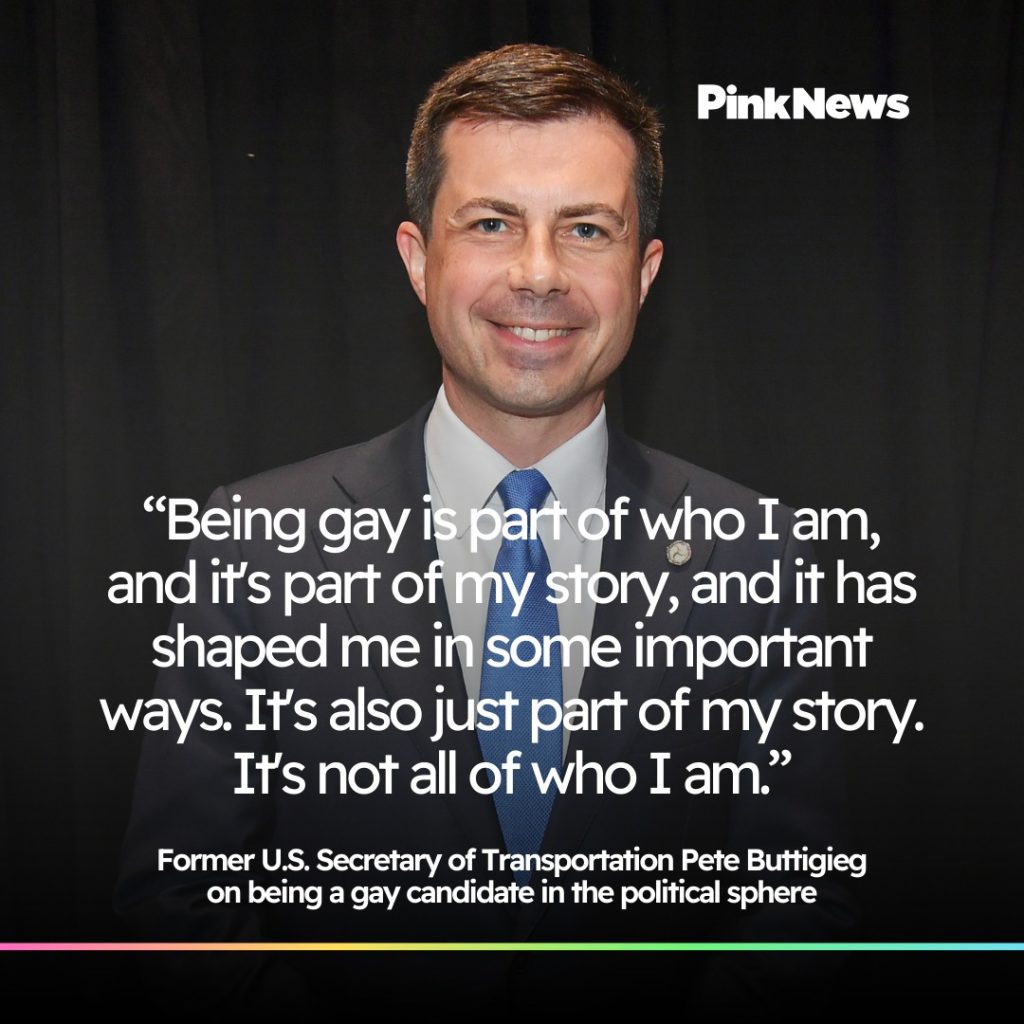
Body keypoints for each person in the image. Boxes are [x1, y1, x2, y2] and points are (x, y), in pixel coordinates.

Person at [116, 43, 854, 1009]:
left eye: (585, 229)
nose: (539, 274)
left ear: (644, 271)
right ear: (419, 260)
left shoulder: (762, 554)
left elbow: (805, 916)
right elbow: (175, 910)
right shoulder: (253, 543)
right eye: (493, 223)